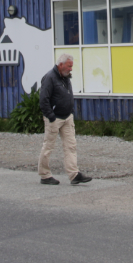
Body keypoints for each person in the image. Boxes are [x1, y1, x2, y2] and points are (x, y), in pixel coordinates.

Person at [39, 54, 92, 185]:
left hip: (67, 117)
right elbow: (43, 100)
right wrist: (51, 117)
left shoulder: (66, 77)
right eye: (69, 66)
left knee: (71, 146)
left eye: (71, 66)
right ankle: (44, 175)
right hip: (54, 119)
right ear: (61, 65)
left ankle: (74, 175)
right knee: (48, 147)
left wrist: (70, 112)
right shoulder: (49, 78)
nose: (71, 69)